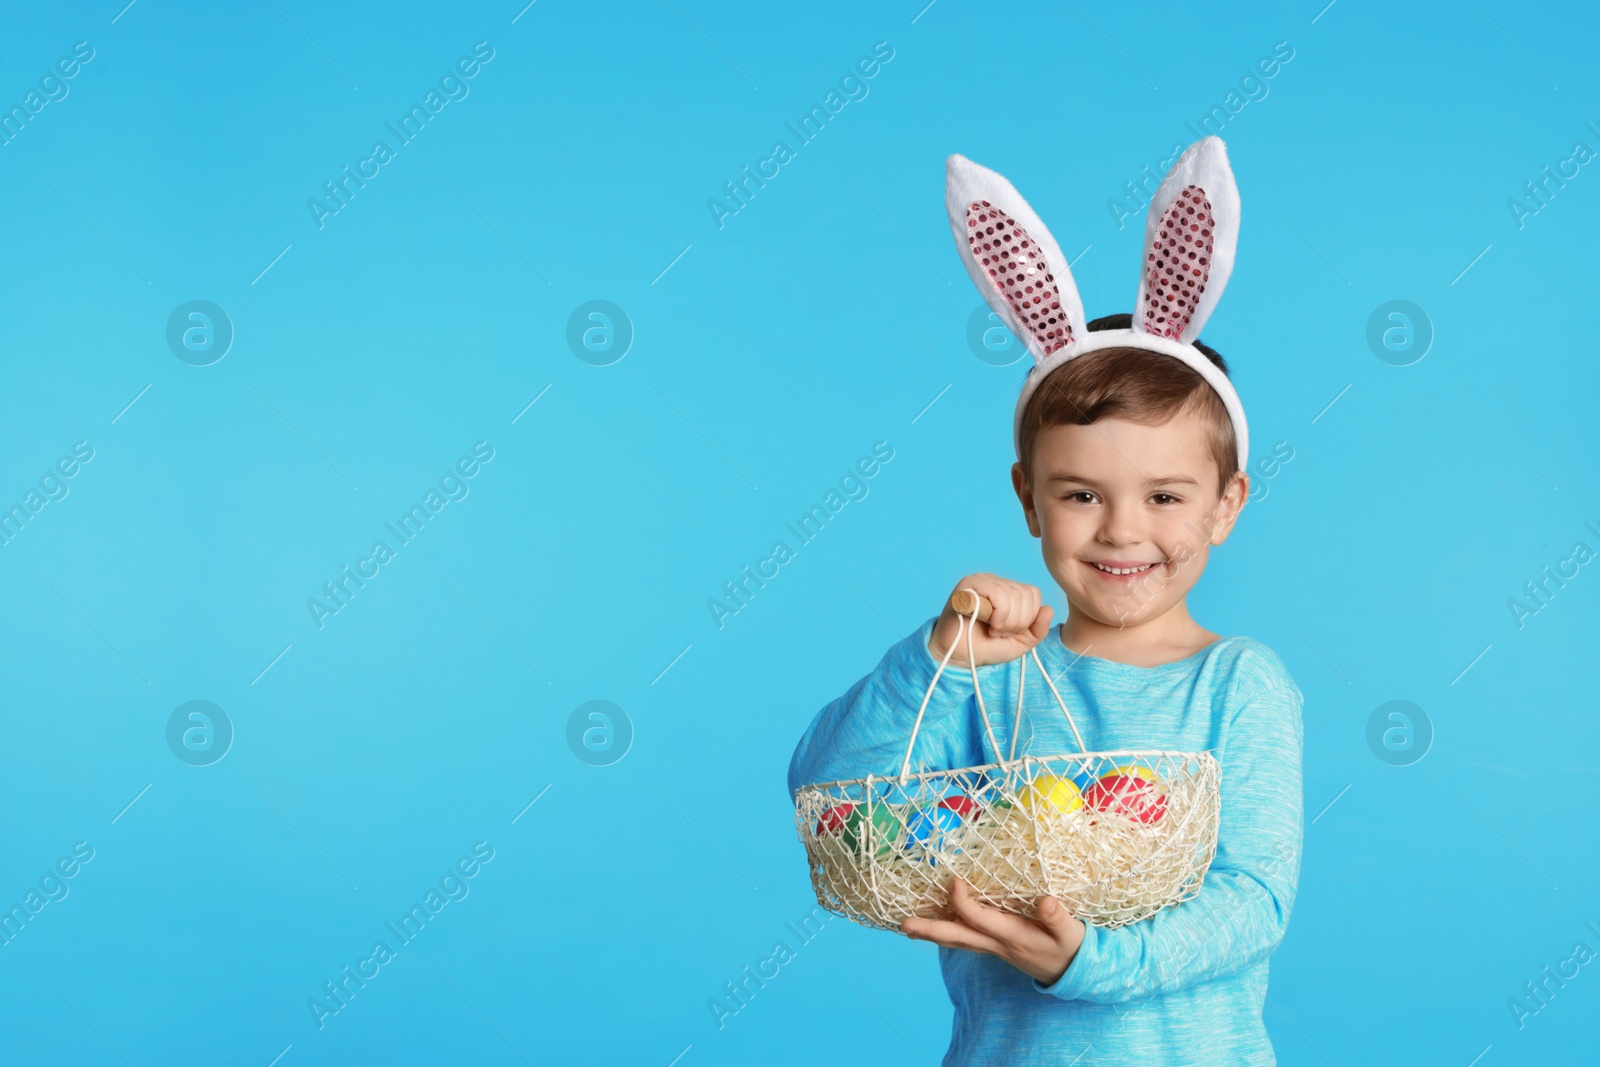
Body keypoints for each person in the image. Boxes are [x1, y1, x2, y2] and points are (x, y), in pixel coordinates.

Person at [786, 139, 1304, 1066]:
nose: (1120, 530)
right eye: (1080, 494)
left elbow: (1251, 902)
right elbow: (831, 796)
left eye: (1165, 496)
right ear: (1028, 498)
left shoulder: (1238, 684)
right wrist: (934, 659)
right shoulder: (992, 679)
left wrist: (1087, 962)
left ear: (1226, 505)